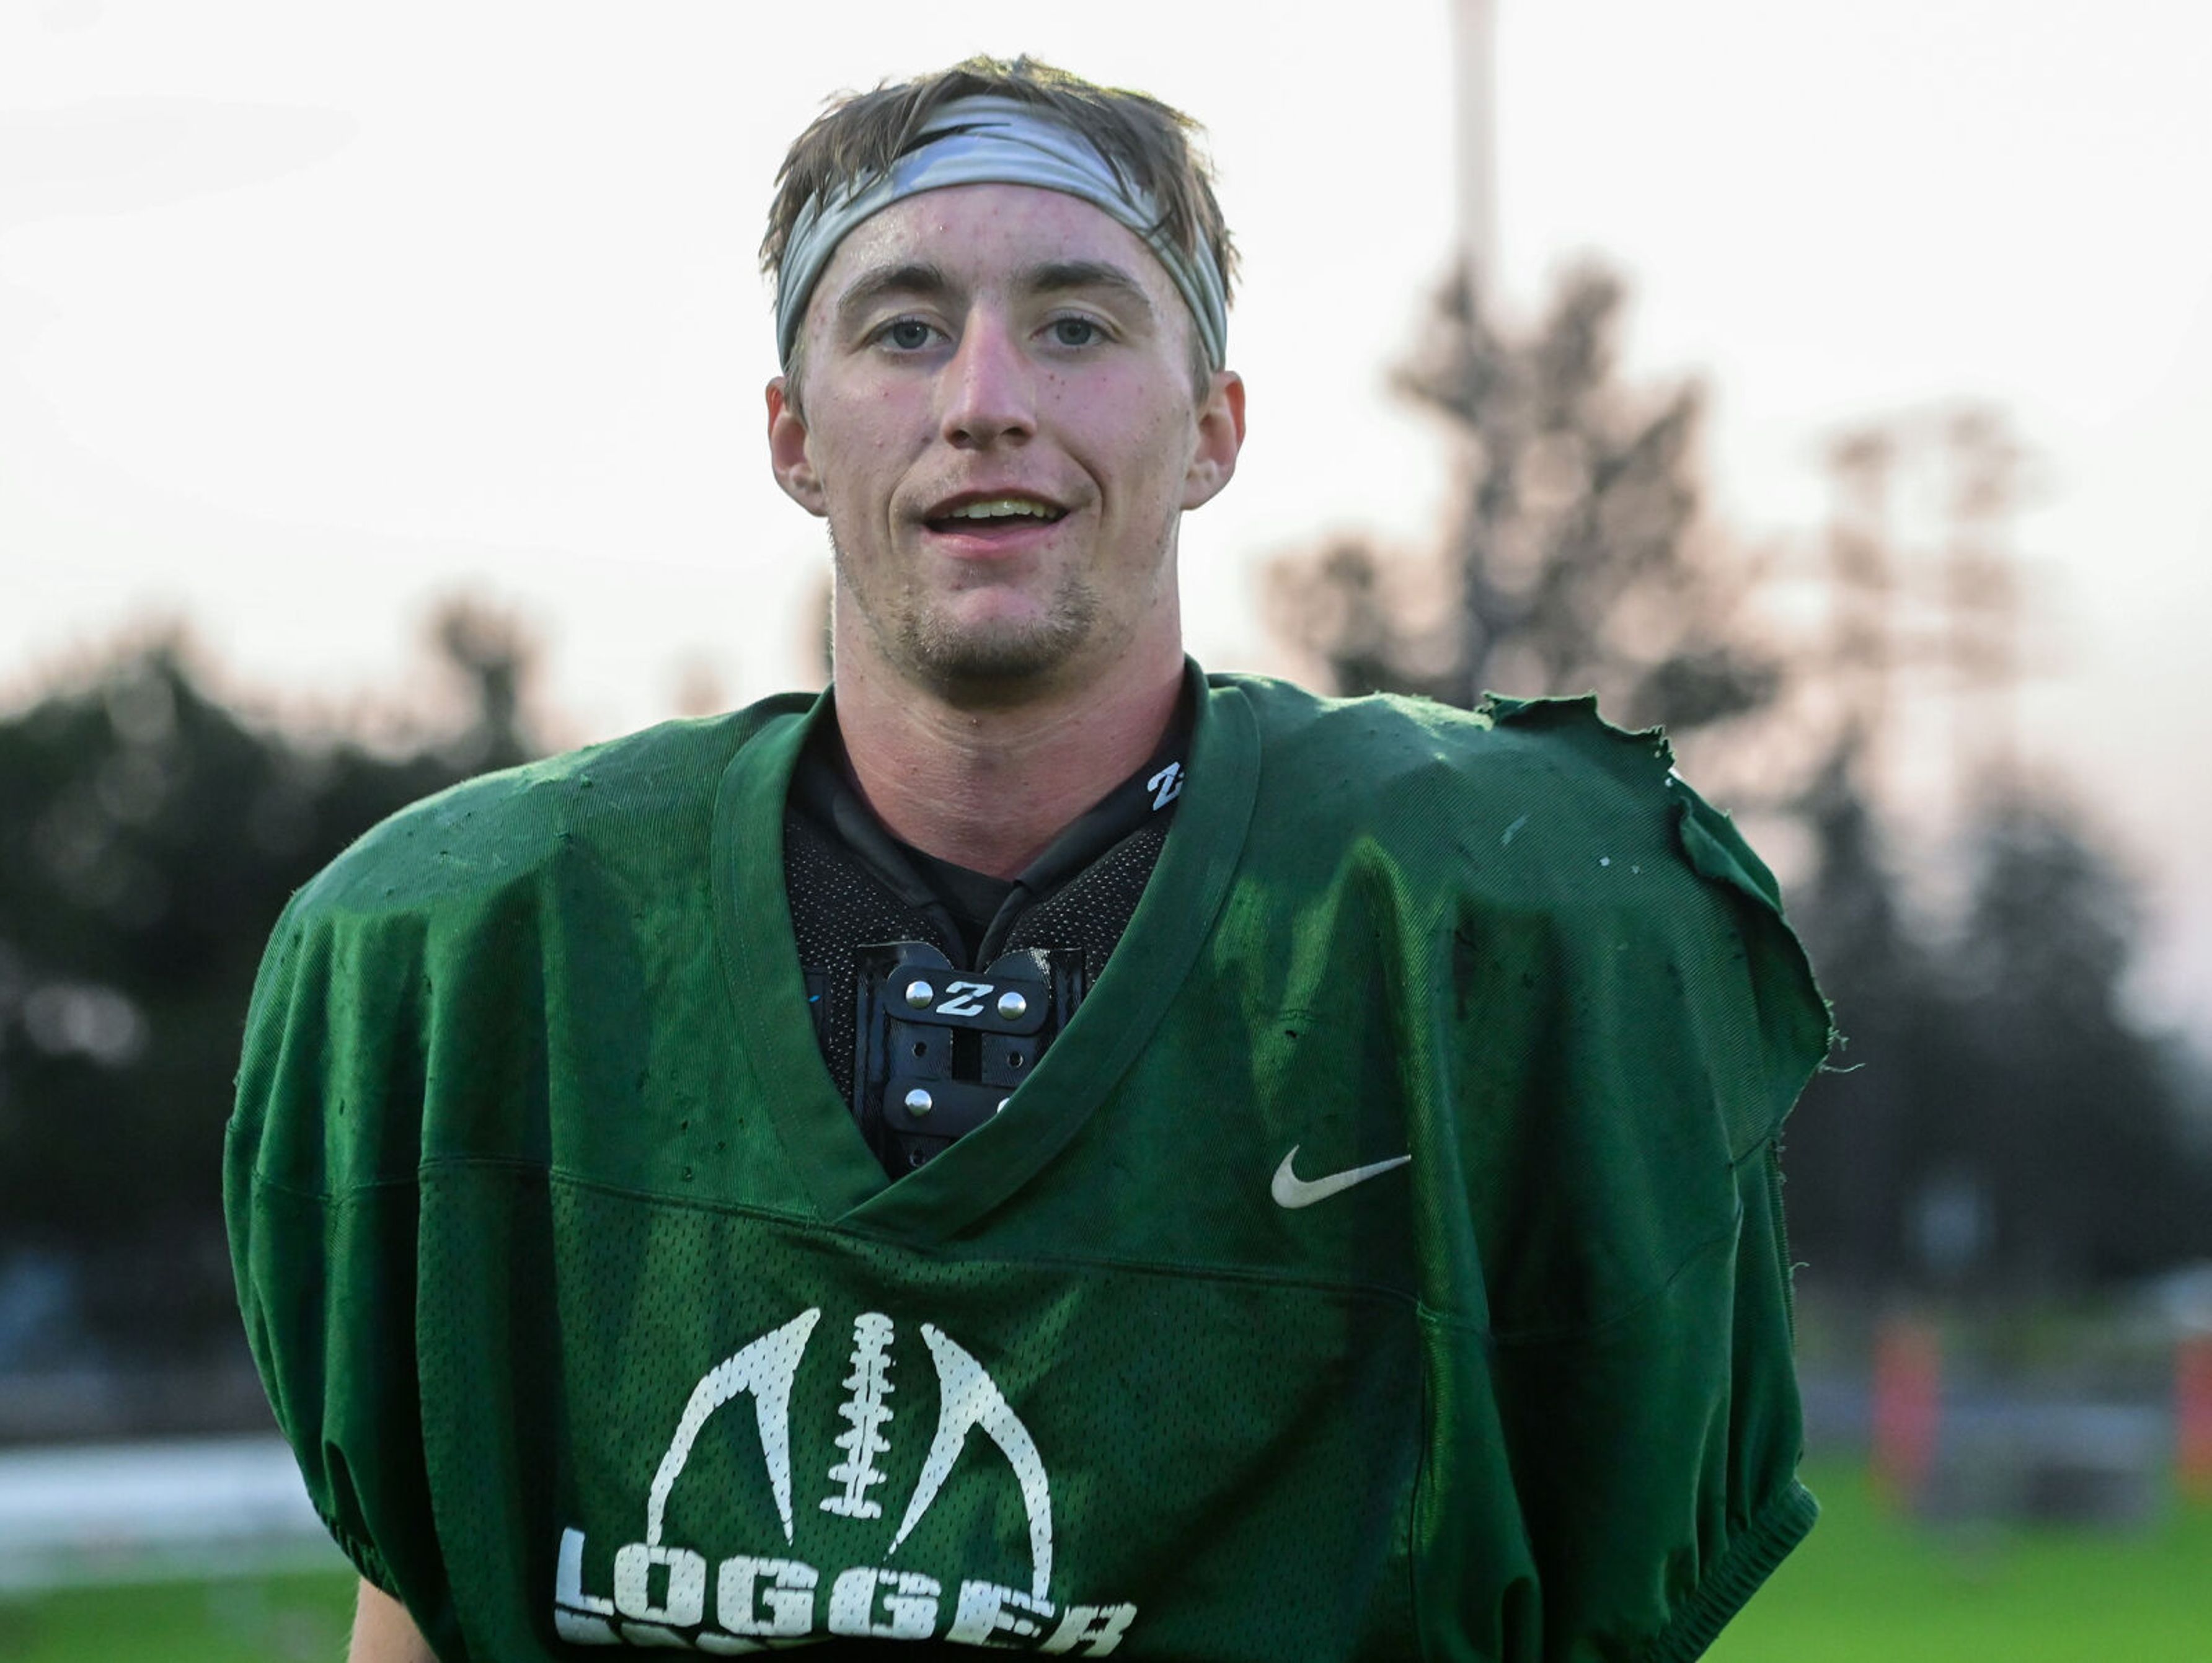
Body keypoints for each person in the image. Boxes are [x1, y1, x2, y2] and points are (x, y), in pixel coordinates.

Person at [226, 56, 1830, 1663]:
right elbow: (429, 1603)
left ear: (1212, 427)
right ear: (792, 433)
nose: (985, 395)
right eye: (905, 327)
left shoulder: (1489, 930)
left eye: (1076, 323)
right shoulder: (479, 947)